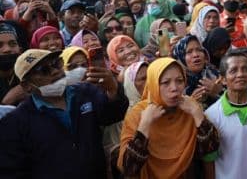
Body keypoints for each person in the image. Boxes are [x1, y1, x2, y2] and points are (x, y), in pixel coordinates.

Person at [0, 48, 128, 178]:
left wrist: (113, 90)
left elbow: (113, 115)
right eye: (44, 70)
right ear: (27, 85)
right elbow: (13, 171)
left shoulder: (85, 92)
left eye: (56, 63)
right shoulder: (16, 122)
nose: (55, 71)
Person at [118, 57, 220, 179]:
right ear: (153, 84)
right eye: (166, 82)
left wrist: (197, 114)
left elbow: (211, 151)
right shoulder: (138, 114)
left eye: (180, 81)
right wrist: (145, 124)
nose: (174, 88)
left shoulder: (189, 109)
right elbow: (128, 167)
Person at [204, 50, 247, 179]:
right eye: (233, 71)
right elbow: (209, 160)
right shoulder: (211, 115)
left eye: (245, 69)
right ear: (223, 80)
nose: (240, 74)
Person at [172, 35, 223, 109]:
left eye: (199, 50)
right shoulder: (176, 82)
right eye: (189, 52)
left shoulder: (215, 74)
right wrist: (191, 103)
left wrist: (218, 92)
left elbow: (236, 101)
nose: (196, 55)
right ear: (181, 57)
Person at [0, 22, 25, 106]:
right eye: (0, 45)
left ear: (20, 50)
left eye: (12, 44)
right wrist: (6, 102)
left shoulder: (28, 76)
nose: (7, 49)